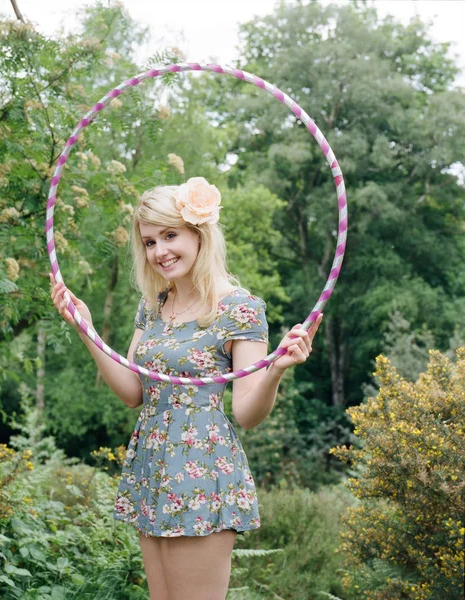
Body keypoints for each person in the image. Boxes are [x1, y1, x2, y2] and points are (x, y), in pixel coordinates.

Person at [50, 177, 322, 600]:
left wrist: (276, 371)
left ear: (199, 233)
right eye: (149, 242)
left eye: (169, 235)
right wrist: (86, 330)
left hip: (202, 465)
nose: (159, 251)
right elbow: (132, 393)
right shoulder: (155, 304)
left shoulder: (238, 308)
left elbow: (247, 413)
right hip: (152, 464)